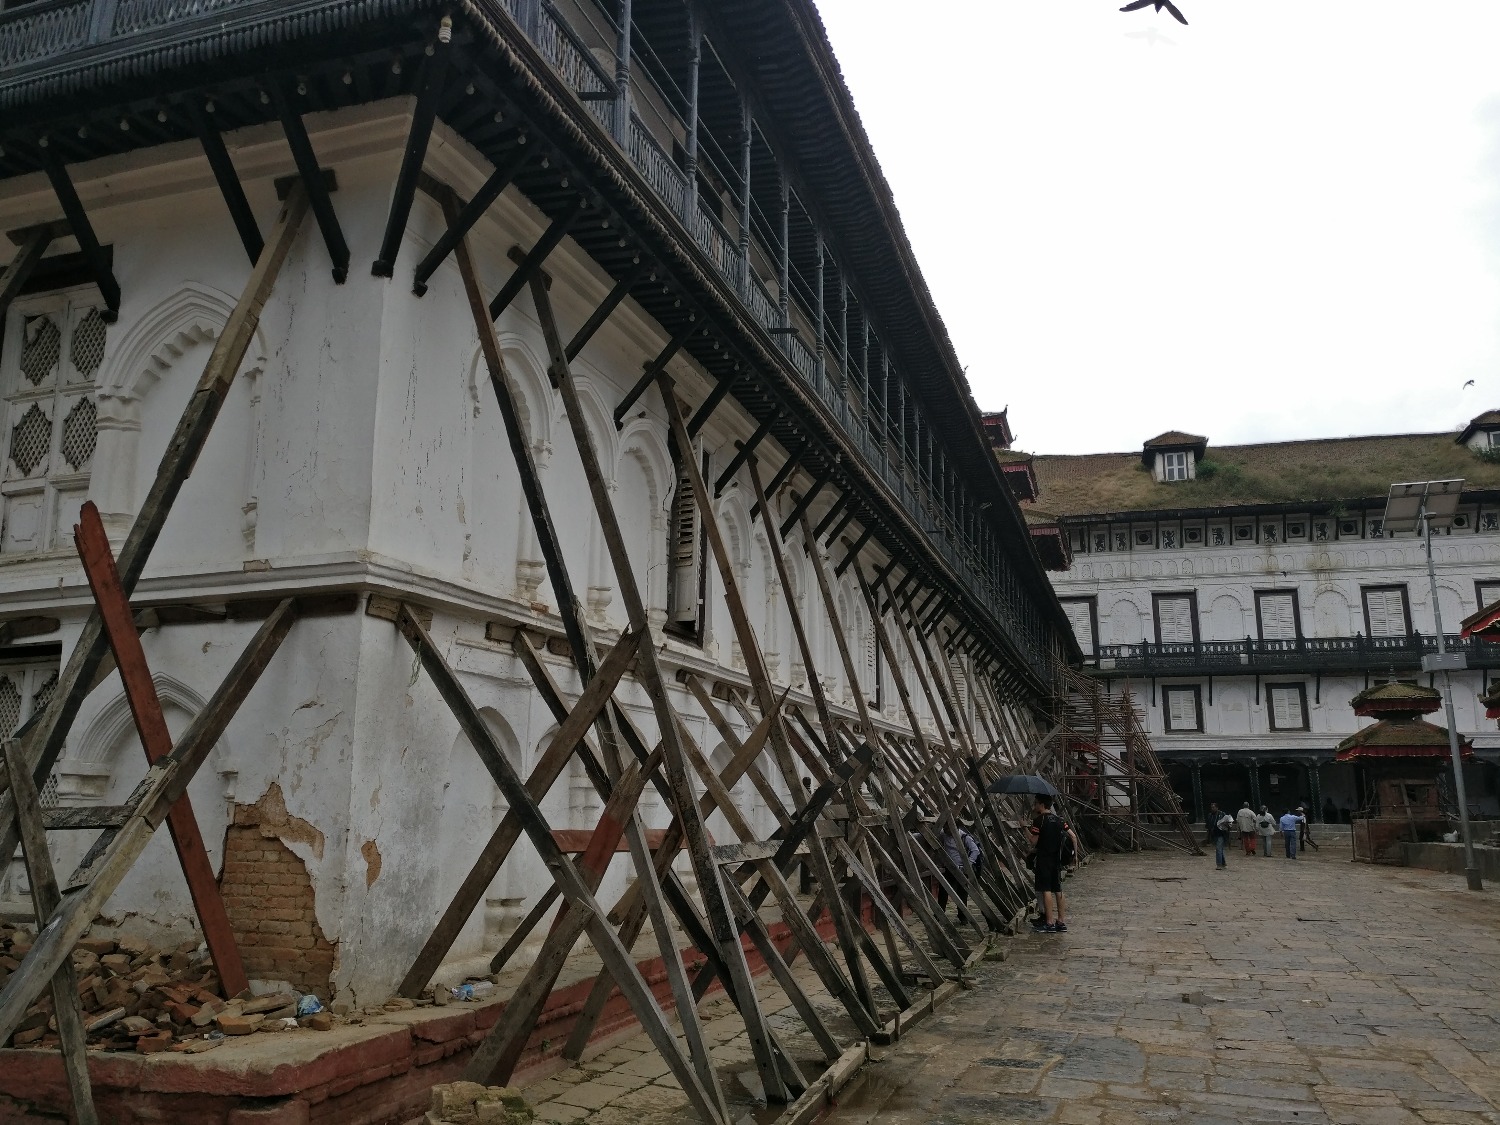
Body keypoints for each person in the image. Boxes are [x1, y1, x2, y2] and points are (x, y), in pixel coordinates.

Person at [1028, 794, 1072, 932]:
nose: (1035, 805)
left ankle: (1049, 922)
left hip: (1044, 858)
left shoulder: (1039, 821)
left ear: (1042, 805)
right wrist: (1075, 856)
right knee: (1058, 889)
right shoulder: (1059, 820)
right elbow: (1073, 836)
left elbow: (1033, 841)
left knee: (1046, 889)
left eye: (1036, 803)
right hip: (1056, 859)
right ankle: (1061, 921)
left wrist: (1024, 828)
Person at [937, 823, 980, 917]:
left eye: (947, 828)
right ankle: (940, 914)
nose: (945, 830)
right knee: (943, 891)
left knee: (962, 893)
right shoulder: (944, 834)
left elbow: (975, 850)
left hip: (961, 869)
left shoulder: (965, 837)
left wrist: (968, 863)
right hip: (948, 868)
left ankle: (962, 916)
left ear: (954, 828)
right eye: (944, 828)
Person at [1205, 802, 1232, 869]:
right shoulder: (1210, 815)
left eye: (1213, 807)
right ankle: (1223, 863)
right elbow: (1208, 824)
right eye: (1211, 807)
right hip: (1214, 834)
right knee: (1220, 849)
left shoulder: (1222, 814)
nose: (1212, 809)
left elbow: (1228, 823)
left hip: (1221, 833)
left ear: (1217, 808)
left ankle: (1219, 864)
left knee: (1218, 848)